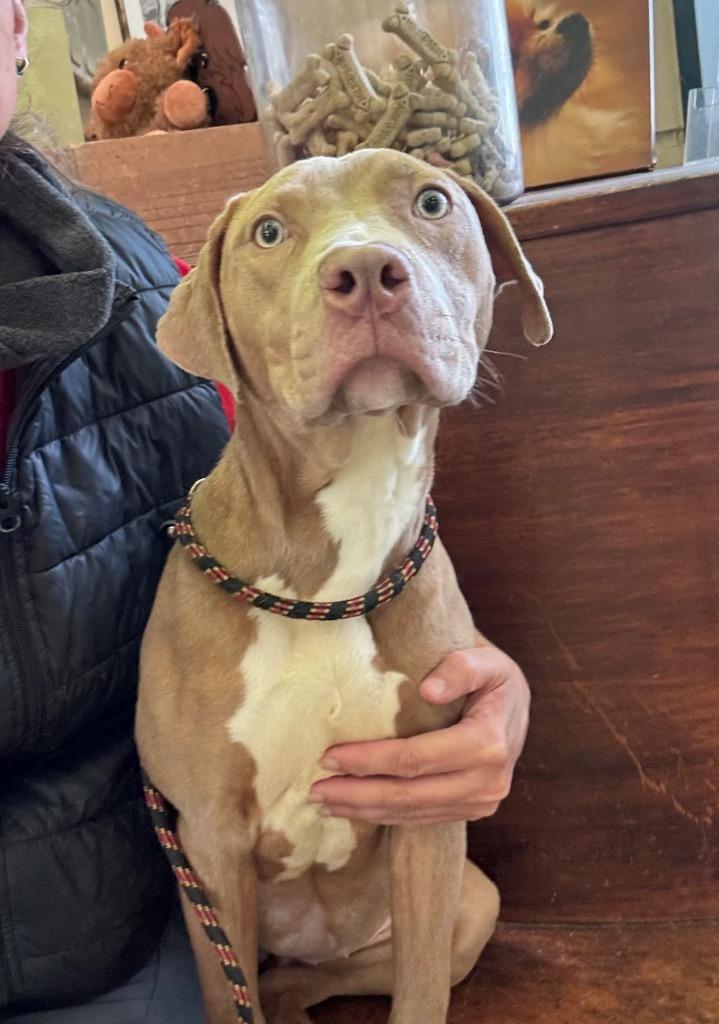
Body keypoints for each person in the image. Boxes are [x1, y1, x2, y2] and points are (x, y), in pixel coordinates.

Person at [0, 1, 530, 1019]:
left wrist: (488, 703)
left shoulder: (144, 275)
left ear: (19, 25)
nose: (359, 269)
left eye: (425, 209)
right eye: (280, 237)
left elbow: (294, 489)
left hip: (127, 928)